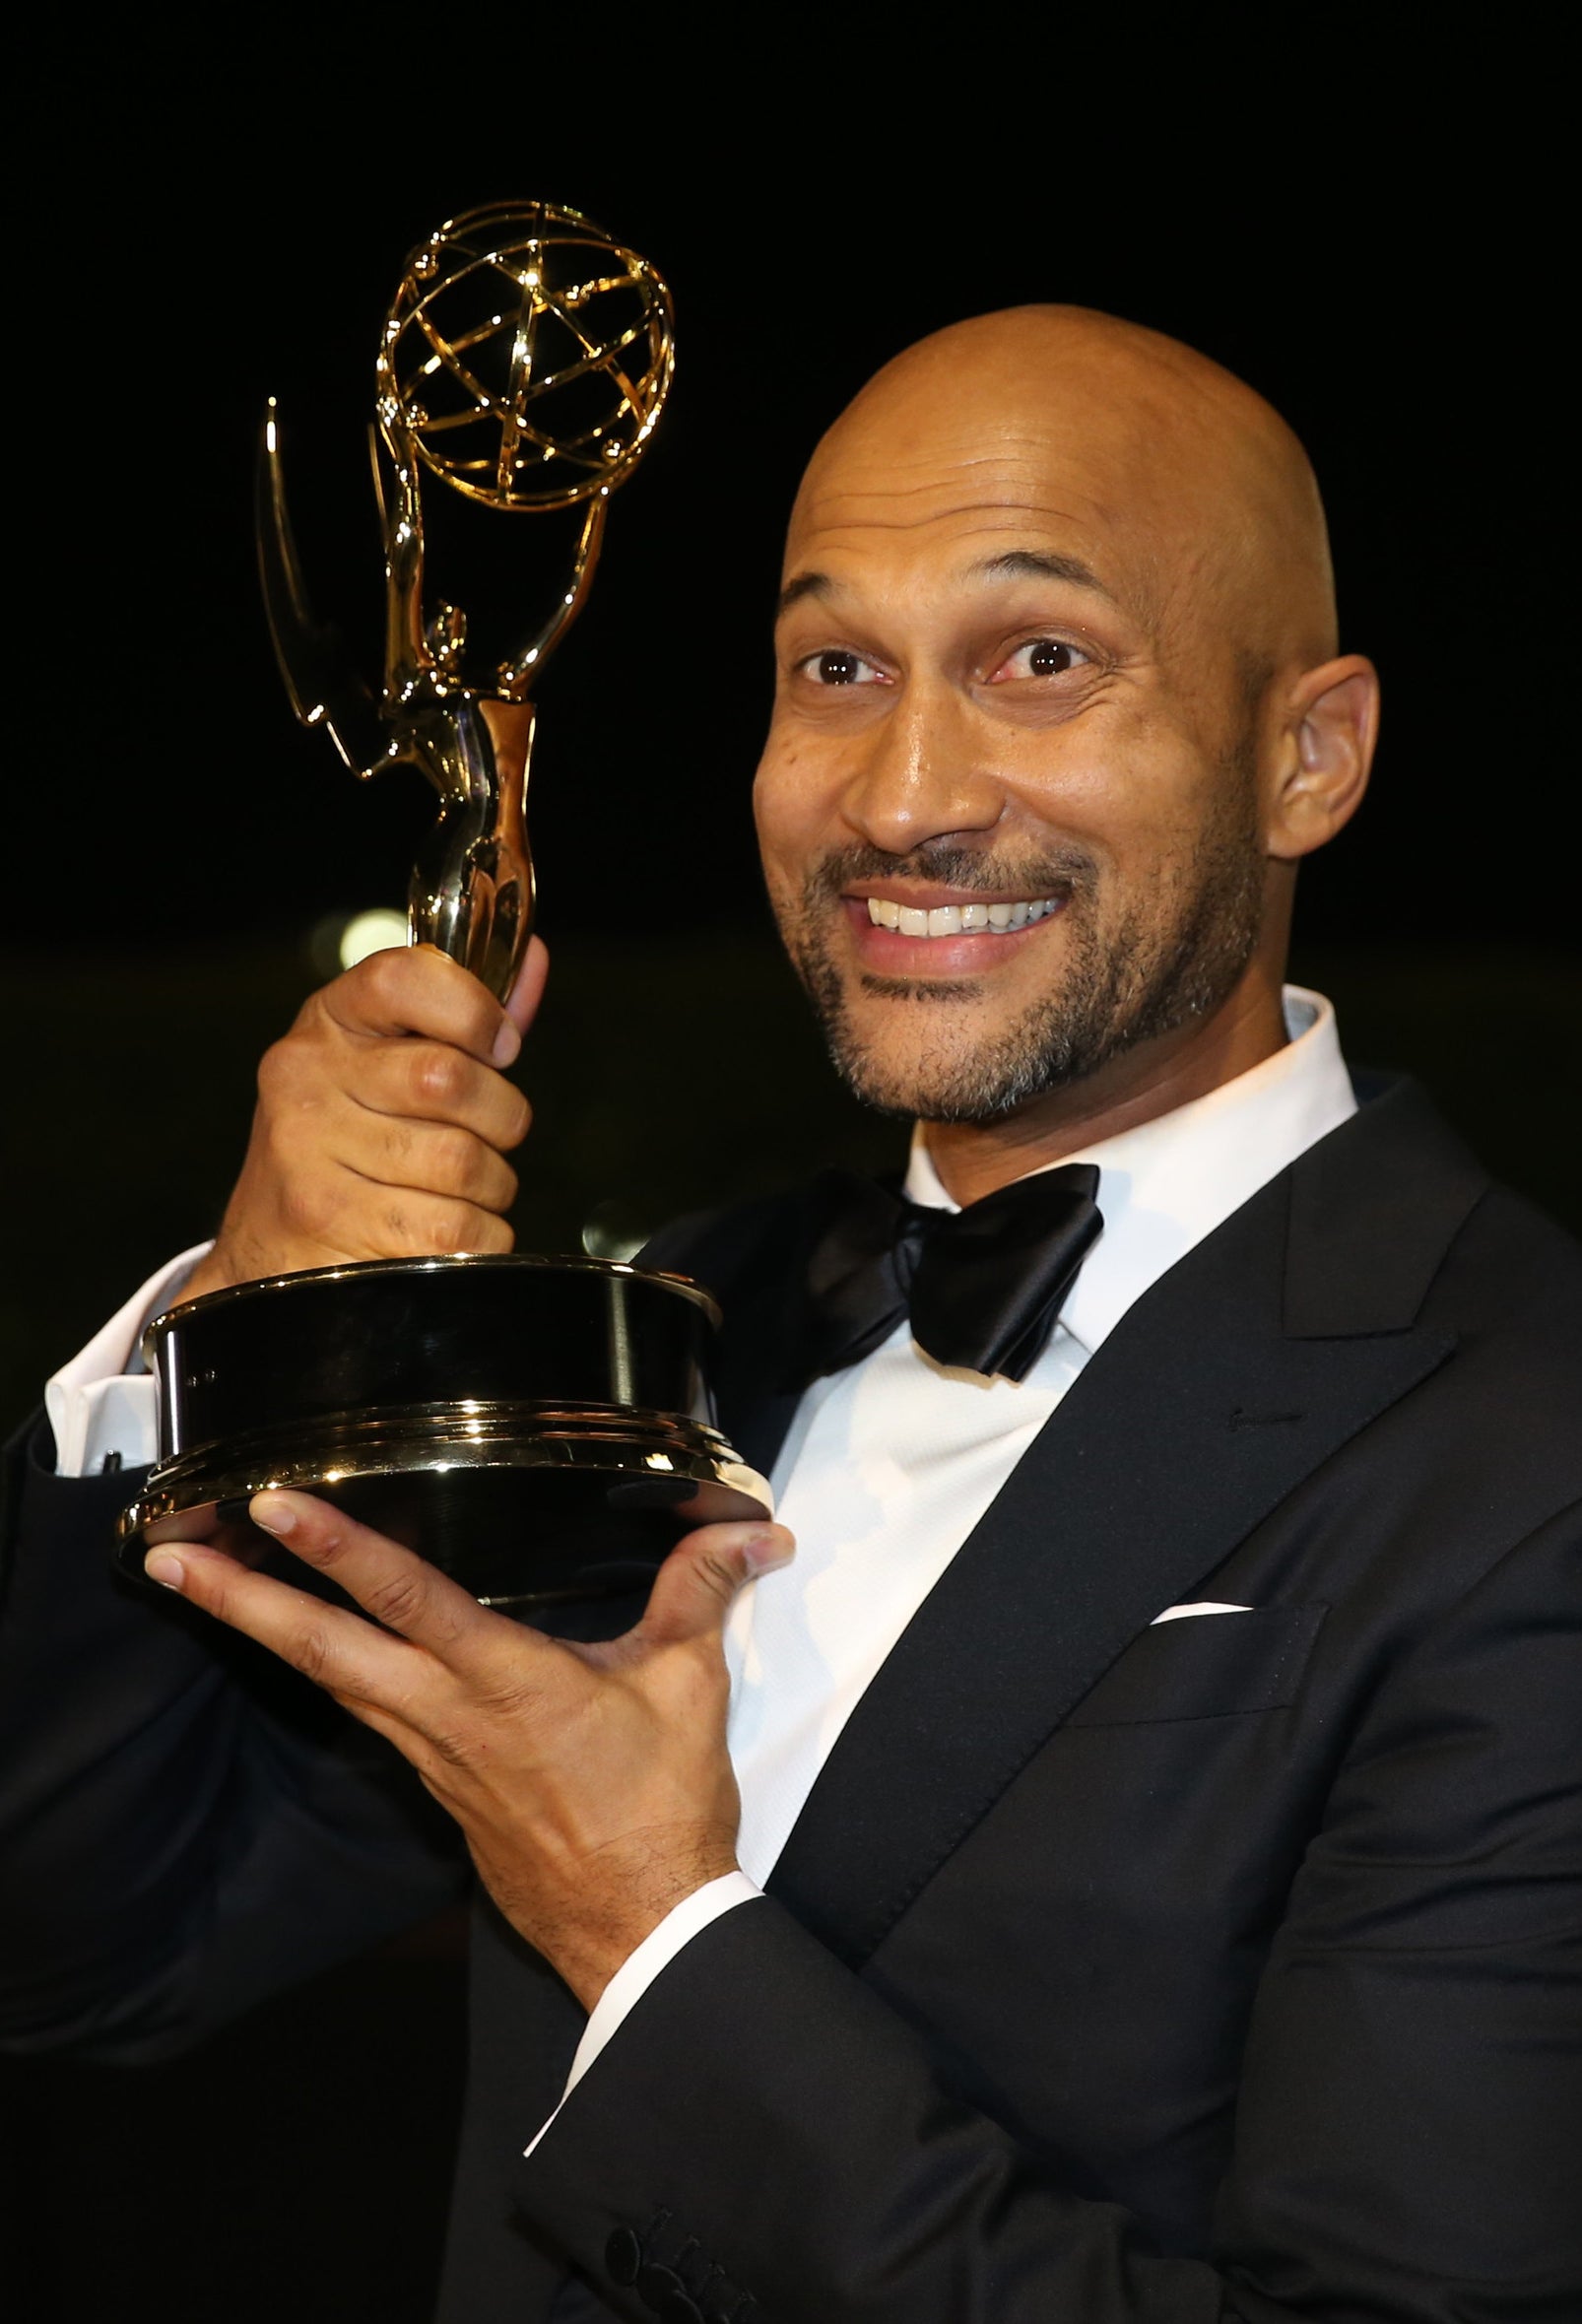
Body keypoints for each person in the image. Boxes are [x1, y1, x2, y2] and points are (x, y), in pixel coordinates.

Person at [3, 306, 1578, 2324]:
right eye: (834, 667)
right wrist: (229, 1320)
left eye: (1037, 661)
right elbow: (94, 1957)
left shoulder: (1518, 1450)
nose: (902, 794)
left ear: (1303, 755)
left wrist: (646, 1933)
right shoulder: (677, 1327)